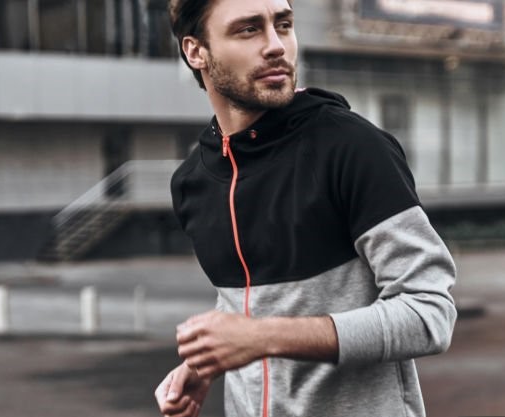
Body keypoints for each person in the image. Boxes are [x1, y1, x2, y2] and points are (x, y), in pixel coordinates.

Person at [156, 0, 457, 416]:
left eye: (283, 24)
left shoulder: (353, 148)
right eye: (248, 30)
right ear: (196, 51)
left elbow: (429, 314)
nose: (276, 45)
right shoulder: (194, 181)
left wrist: (262, 338)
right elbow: (249, 305)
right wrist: (205, 359)